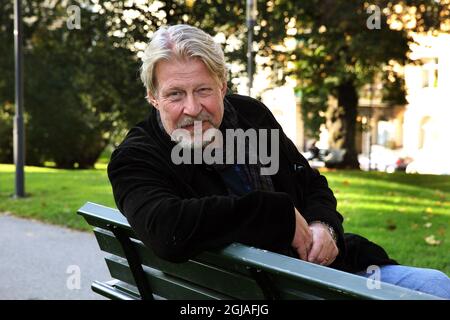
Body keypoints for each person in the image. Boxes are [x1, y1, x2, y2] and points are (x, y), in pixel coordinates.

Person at [107, 24, 450, 299]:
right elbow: (167, 230)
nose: (193, 108)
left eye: (203, 90)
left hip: (319, 273)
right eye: (175, 95)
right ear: (153, 97)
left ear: (223, 86)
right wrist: (276, 213)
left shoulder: (250, 117)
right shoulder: (138, 156)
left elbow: (311, 183)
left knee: (436, 284)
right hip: (254, 294)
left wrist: (324, 226)